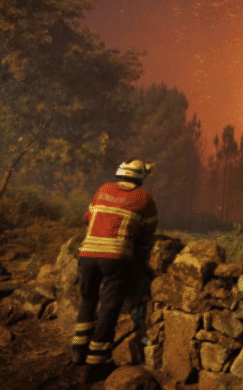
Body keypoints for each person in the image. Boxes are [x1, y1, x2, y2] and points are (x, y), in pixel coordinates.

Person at [71, 159, 158, 378]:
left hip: (88, 254)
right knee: (109, 306)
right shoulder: (144, 197)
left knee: (88, 300)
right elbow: (149, 229)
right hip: (116, 257)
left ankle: (78, 352)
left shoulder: (103, 189)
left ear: (120, 173)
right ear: (140, 177)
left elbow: (86, 218)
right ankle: (95, 363)